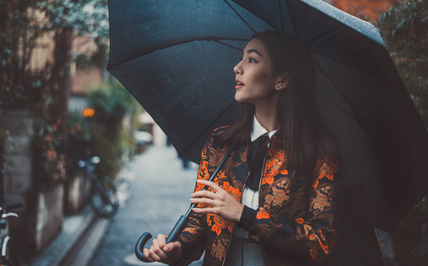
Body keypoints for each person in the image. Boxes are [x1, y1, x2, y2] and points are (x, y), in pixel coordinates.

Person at [143, 31, 383, 265]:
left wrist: (244, 214)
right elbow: (200, 224)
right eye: (241, 57)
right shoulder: (221, 143)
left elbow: (321, 243)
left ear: (282, 79)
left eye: (252, 59)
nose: (237, 68)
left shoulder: (319, 151)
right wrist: (178, 249)